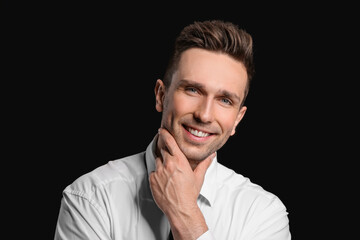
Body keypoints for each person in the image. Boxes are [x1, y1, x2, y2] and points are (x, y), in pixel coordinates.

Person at [54, 19, 291, 240]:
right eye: (192, 90)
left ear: (237, 119)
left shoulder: (263, 214)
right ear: (161, 95)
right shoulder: (90, 198)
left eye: (225, 100)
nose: (204, 115)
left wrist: (185, 215)